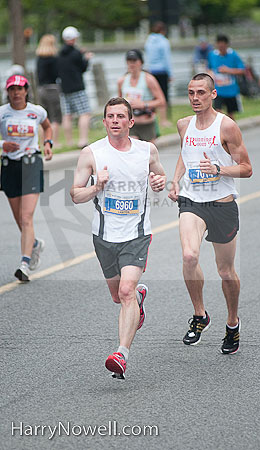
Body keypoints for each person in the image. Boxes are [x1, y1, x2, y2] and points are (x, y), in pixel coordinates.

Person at [70, 97, 166, 379]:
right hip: (103, 235)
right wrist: (96, 186)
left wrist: (158, 182)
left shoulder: (146, 150)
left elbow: (159, 178)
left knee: (124, 292)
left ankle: (121, 354)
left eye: (120, 116)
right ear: (104, 122)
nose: (115, 120)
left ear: (131, 122)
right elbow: (75, 195)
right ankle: (139, 297)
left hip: (136, 234)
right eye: (110, 116)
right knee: (118, 295)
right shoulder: (91, 153)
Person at [168, 73, 252, 354]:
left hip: (222, 203)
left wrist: (219, 170)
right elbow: (185, 153)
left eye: (201, 93)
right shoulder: (183, 125)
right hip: (192, 201)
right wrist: (176, 179)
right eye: (191, 93)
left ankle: (232, 323)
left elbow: (246, 168)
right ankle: (200, 314)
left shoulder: (226, 127)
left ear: (213, 94)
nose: (195, 98)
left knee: (225, 271)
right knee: (189, 256)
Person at [0, 75, 53, 282]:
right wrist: (2, 145)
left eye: (19, 89)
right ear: (7, 92)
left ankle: (24, 263)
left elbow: (47, 126)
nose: (16, 93)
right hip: (9, 165)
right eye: (12, 89)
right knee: (18, 218)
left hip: (31, 163)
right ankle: (35, 244)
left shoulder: (36, 111)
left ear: (26, 91)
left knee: (26, 217)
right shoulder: (3, 113)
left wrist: (48, 142)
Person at [118, 49, 166, 143]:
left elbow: (161, 101)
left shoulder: (149, 79)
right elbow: (119, 102)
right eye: (129, 61)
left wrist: (144, 104)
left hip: (147, 124)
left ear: (141, 62)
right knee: (132, 153)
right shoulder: (122, 81)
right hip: (130, 124)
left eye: (134, 61)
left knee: (148, 155)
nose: (132, 64)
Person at [57, 26, 93, 148]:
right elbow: (83, 68)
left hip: (64, 88)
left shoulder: (59, 53)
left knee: (67, 116)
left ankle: (69, 142)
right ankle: (82, 140)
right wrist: (87, 59)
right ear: (74, 38)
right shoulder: (76, 53)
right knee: (85, 113)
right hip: (77, 87)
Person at [207, 34, 245, 120]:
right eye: (219, 46)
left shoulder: (233, 55)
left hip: (231, 90)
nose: (221, 48)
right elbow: (209, 68)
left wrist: (228, 70)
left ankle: (232, 131)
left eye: (223, 46)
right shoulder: (212, 55)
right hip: (218, 91)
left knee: (231, 115)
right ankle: (220, 132)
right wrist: (210, 75)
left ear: (227, 45)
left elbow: (242, 70)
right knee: (217, 113)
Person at [36, 34, 62, 148]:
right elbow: (57, 74)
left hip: (41, 89)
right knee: (55, 117)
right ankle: (54, 142)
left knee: (43, 118)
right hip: (52, 88)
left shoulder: (39, 59)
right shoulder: (54, 59)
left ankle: (43, 141)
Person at [144, 21, 172, 127]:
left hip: (151, 71)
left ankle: (153, 118)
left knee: (153, 96)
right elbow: (167, 58)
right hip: (162, 70)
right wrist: (170, 73)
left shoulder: (148, 41)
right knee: (163, 96)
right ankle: (163, 120)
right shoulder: (164, 41)